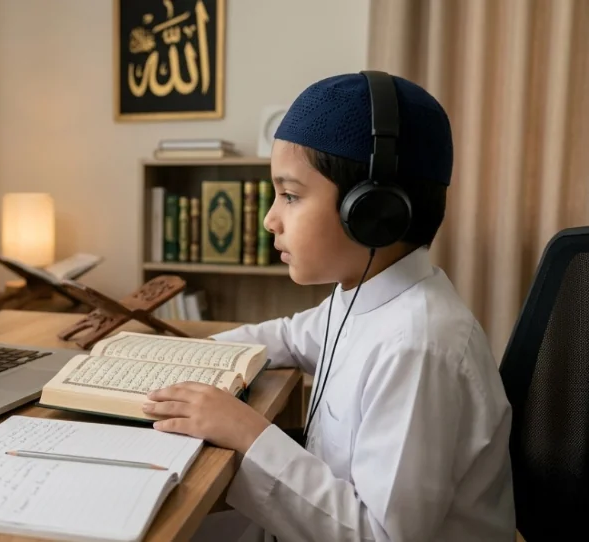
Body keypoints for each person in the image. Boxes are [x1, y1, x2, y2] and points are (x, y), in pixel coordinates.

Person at [142, 72, 515, 541]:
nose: (268, 219)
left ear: (372, 211)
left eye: (291, 196)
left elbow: (381, 536)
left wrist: (246, 431)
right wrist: (175, 355)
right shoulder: (362, 295)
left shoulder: (418, 347)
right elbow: (289, 336)